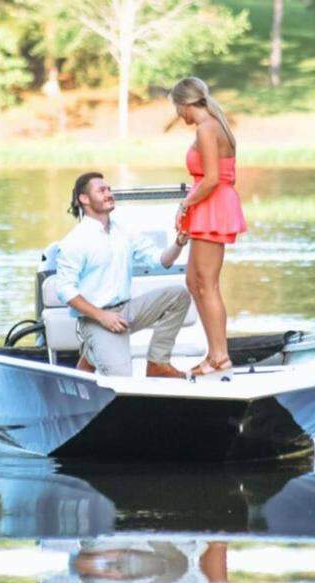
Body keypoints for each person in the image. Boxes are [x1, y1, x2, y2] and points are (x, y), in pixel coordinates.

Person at [55, 171, 192, 378]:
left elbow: (161, 260)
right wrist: (102, 317)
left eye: (109, 189)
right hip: (95, 319)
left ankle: (157, 363)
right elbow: (65, 291)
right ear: (84, 199)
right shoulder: (74, 241)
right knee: (123, 380)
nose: (109, 193)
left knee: (179, 295)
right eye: (101, 190)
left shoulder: (123, 231)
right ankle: (93, 350)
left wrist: (179, 243)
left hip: (126, 312)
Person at [170, 77, 247, 377]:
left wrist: (185, 204)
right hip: (211, 203)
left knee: (207, 282)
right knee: (194, 281)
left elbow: (213, 178)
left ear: (186, 103)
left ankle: (219, 356)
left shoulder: (206, 128)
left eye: (178, 108)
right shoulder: (216, 125)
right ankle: (213, 352)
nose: (178, 115)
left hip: (211, 203)